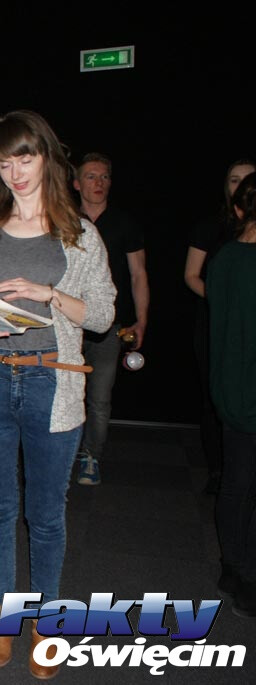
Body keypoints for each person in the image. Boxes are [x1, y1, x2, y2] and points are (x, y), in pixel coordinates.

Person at [0, 111, 114, 678]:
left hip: (53, 381)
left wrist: (49, 293)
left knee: (45, 514)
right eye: (3, 163)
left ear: (47, 157)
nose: (14, 172)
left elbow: (103, 314)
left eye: (25, 158)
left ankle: (45, 619)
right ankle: (3, 611)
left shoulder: (80, 234)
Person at [72, 152, 150, 486]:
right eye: (91, 176)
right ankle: (64, 452)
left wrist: (141, 321)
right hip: (70, 322)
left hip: (109, 326)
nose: (98, 182)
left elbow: (138, 274)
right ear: (77, 183)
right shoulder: (63, 220)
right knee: (66, 394)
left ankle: (91, 456)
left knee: (100, 398)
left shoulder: (124, 223)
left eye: (104, 177)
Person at [185, 158, 256, 495]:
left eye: (248, 180)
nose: (241, 186)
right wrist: (225, 301)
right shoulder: (211, 228)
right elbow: (191, 275)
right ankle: (218, 469)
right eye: (234, 180)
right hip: (218, 320)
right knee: (218, 398)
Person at [207, 171, 256, 617]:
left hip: (231, 388)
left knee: (238, 483)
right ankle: (242, 572)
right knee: (242, 486)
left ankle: (234, 567)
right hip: (243, 388)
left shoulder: (223, 258)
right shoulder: (233, 261)